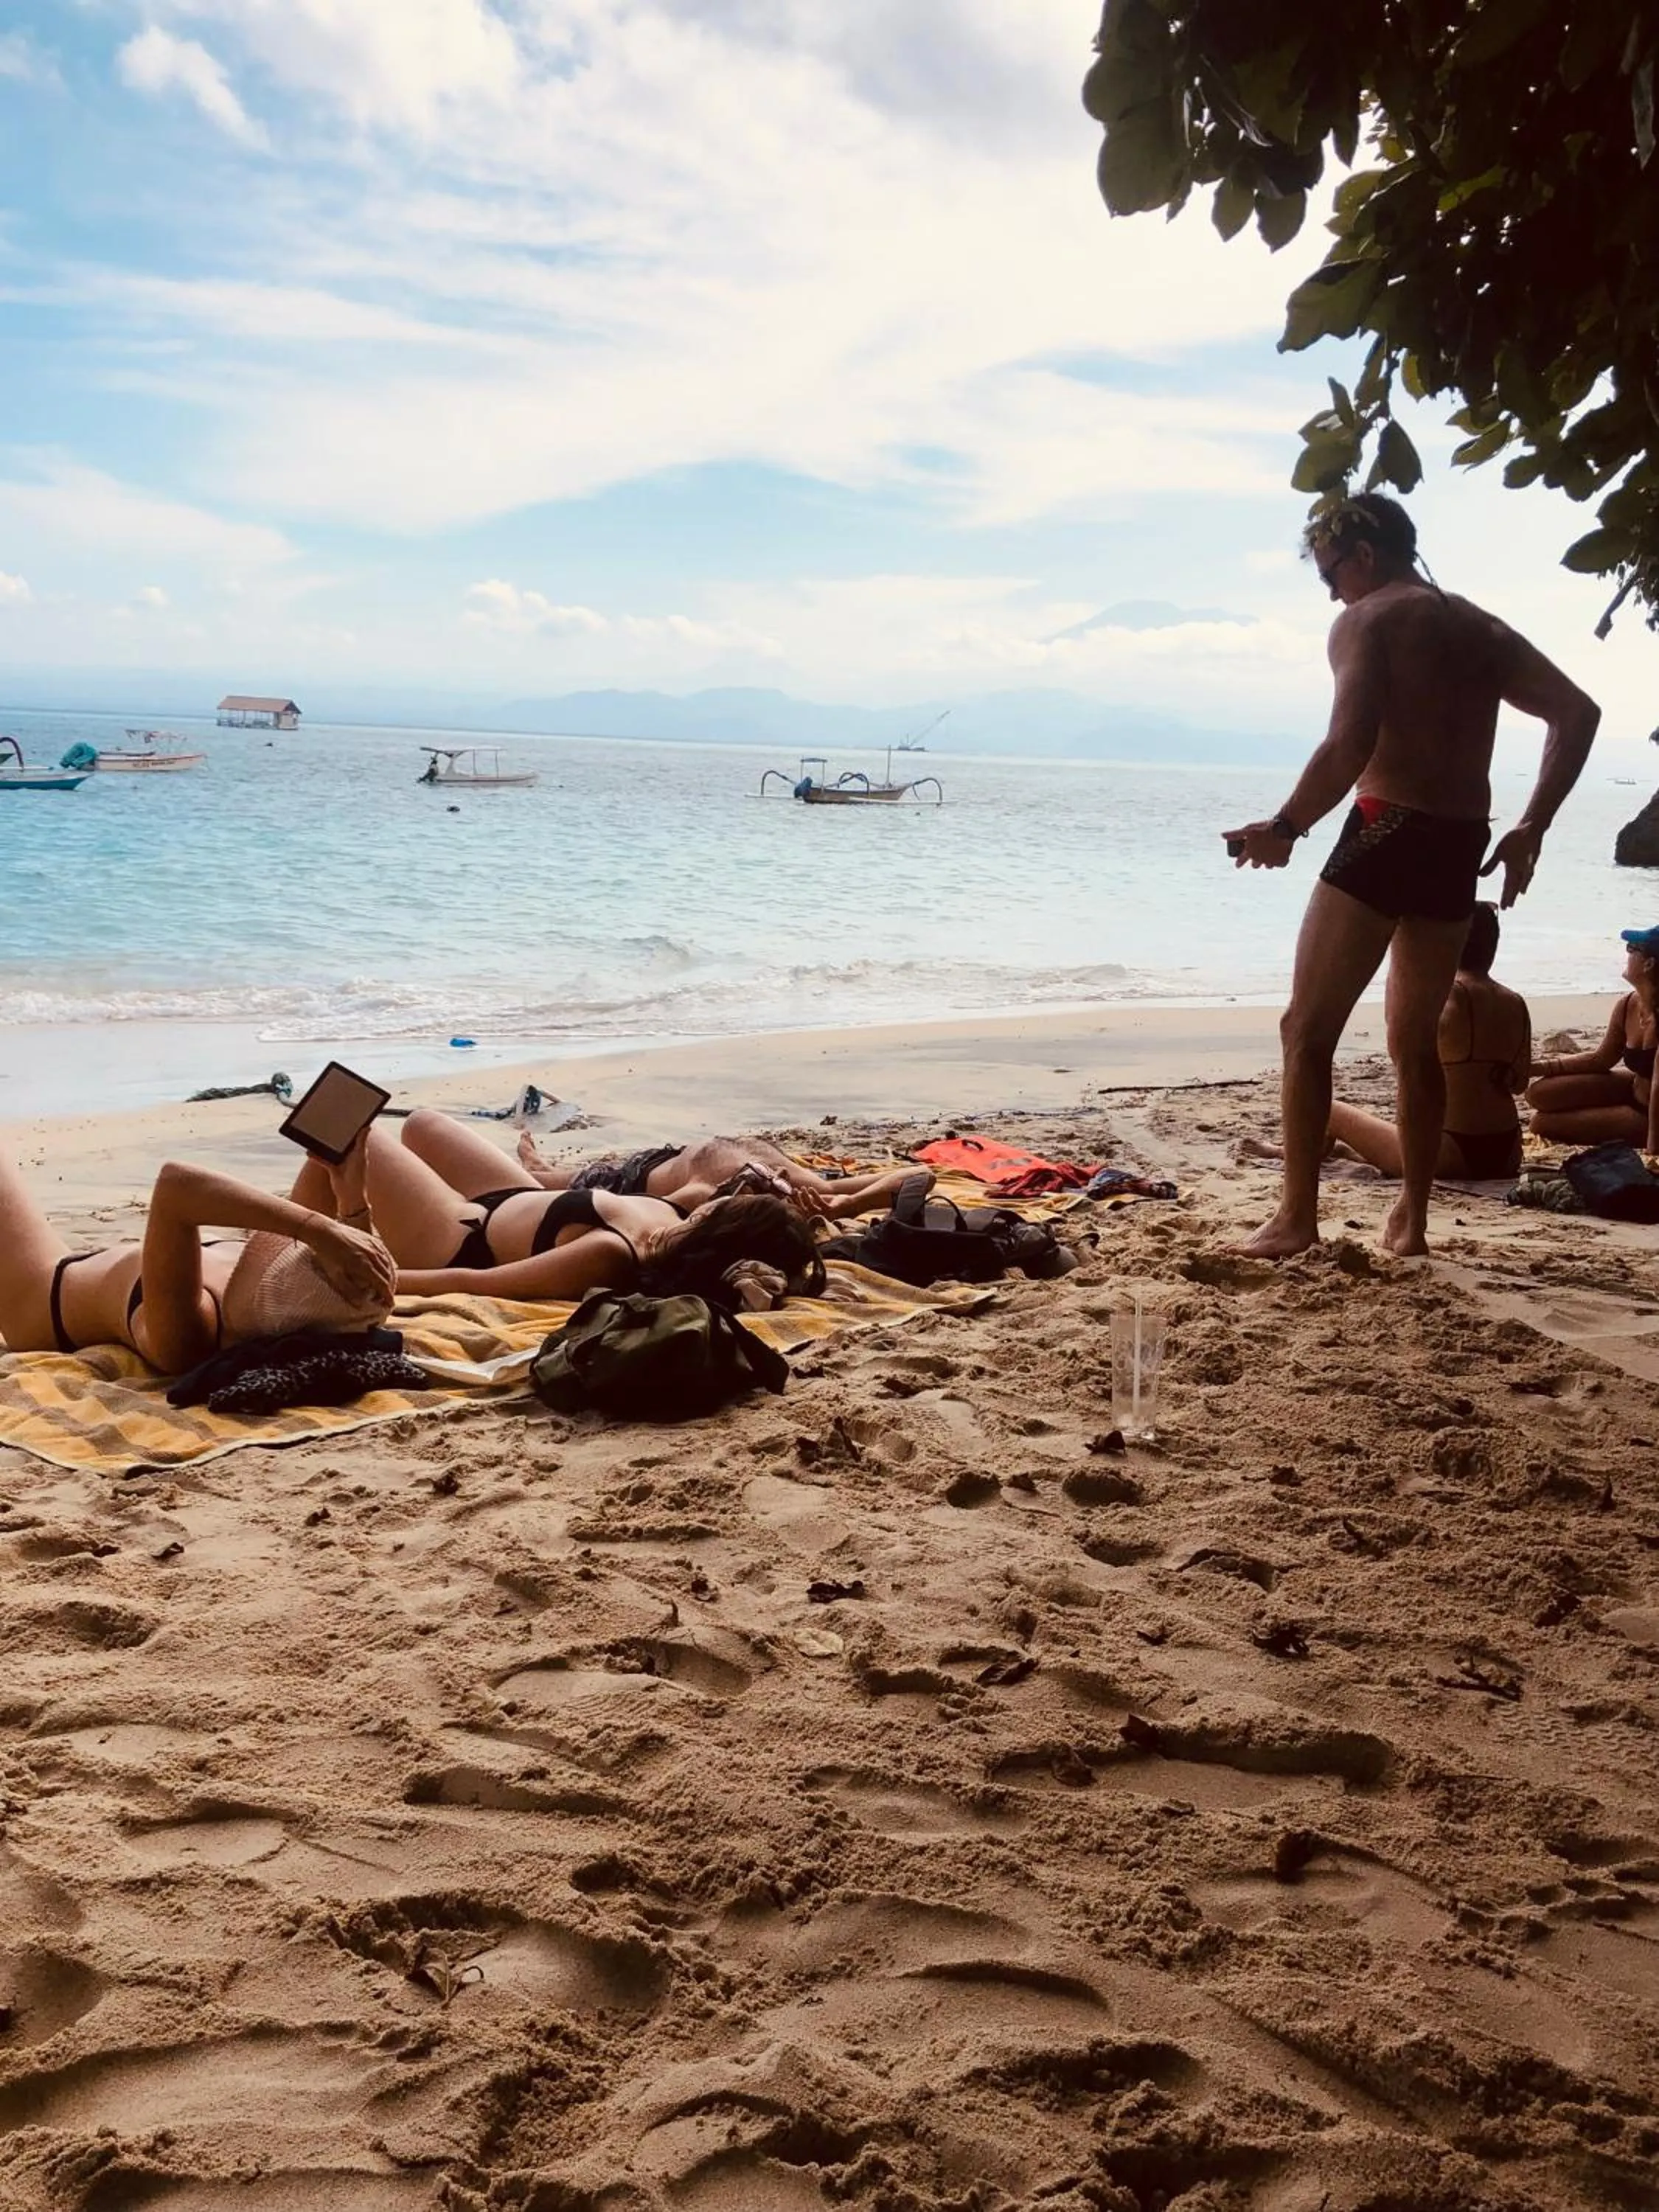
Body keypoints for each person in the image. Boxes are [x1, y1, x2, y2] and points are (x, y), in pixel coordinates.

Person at [1224, 492, 1600, 1258]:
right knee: (1415, 1043)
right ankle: (1412, 1222)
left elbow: (1350, 744)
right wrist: (1532, 825)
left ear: (1363, 554)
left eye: (1331, 573)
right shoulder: (1482, 629)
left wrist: (1286, 828)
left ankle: (1296, 1218)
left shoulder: (1369, 620)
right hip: (1460, 842)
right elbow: (1578, 712)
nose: (1332, 592)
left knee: (1306, 1032)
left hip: (1388, 829)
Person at [0, 1138, 394, 1373]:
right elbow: (378, 1281)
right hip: (122, 1261)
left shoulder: (192, 1334)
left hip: (42, 1291)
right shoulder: (286, 1299)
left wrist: (317, 1230)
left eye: (305, 1256)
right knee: (341, 1142)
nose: (303, 1251)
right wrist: (352, 1205)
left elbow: (176, 1186)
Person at [355, 1115, 824, 1303]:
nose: (730, 1197)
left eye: (737, 1206)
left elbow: (474, 1284)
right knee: (422, 1124)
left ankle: (313, 1251)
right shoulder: (678, 1220)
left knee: (351, 1133)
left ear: (720, 1229)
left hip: (461, 1237)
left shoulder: (611, 1254)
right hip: (515, 1197)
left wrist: (369, 1274)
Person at [1240, 902, 1531, 1182]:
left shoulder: (1446, 997)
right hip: (1507, 1153)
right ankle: (1351, 1152)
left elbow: (1401, 1055)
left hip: (1447, 1153)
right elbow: (1519, 1084)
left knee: (1327, 1110)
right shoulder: (1516, 1003)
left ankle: (1291, 1154)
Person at [506, 1127, 929, 1222]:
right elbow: (922, 1176)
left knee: (542, 1182)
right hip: (679, 1153)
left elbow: (652, 1217)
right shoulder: (808, 1188)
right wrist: (851, 1204)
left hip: (638, 1175)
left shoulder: (706, 1196)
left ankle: (537, 1167)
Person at [1526, 928, 1659, 1153]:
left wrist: (1653, 1148)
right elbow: (1601, 1059)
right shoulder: (1628, 1004)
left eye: (1631, 949)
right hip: (1634, 1087)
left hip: (1650, 1113)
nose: (1626, 954)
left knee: (1541, 1124)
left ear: (1649, 964)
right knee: (1538, 1094)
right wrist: (1536, 1067)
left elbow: (1658, 1085)